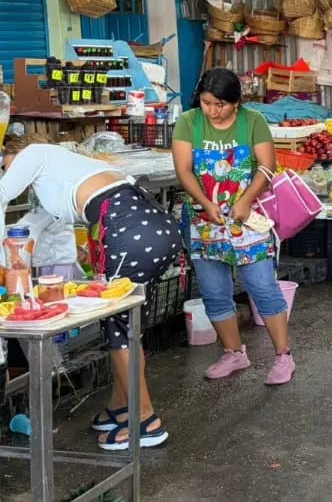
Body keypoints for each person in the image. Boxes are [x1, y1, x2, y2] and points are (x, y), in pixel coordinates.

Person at [0, 134, 180, 450]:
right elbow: (31, 228)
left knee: (119, 328)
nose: (8, 172)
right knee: (129, 327)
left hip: (128, 228)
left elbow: (1, 194)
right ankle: (122, 406)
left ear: (17, 153)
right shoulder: (63, 172)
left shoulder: (35, 153)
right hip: (154, 227)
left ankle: (145, 419)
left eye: (6, 166)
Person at [171, 69, 295, 385]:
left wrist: (246, 199)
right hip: (204, 221)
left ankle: (283, 356)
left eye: (221, 104)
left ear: (236, 102)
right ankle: (234, 353)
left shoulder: (253, 121)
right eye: (206, 103)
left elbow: (268, 166)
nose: (213, 111)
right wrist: (204, 202)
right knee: (214, 292)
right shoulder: (188, 122)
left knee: (262, 287)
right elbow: (184, 170)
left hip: (248, 219)